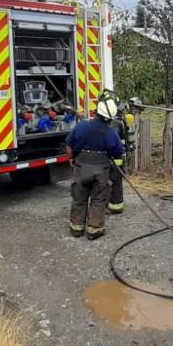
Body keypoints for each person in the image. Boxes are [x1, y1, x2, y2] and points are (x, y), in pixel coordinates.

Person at [66, 98, 123, 240]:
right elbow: (117, 151)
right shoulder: (110, 132)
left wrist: (72, 158)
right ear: (109, 118)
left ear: (96, 112)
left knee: (79, 197)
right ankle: (94, 230)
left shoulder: (82, 126)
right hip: (101, 170)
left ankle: (76, 228)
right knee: (98, 199)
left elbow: (69, 144)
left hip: (81, 168)